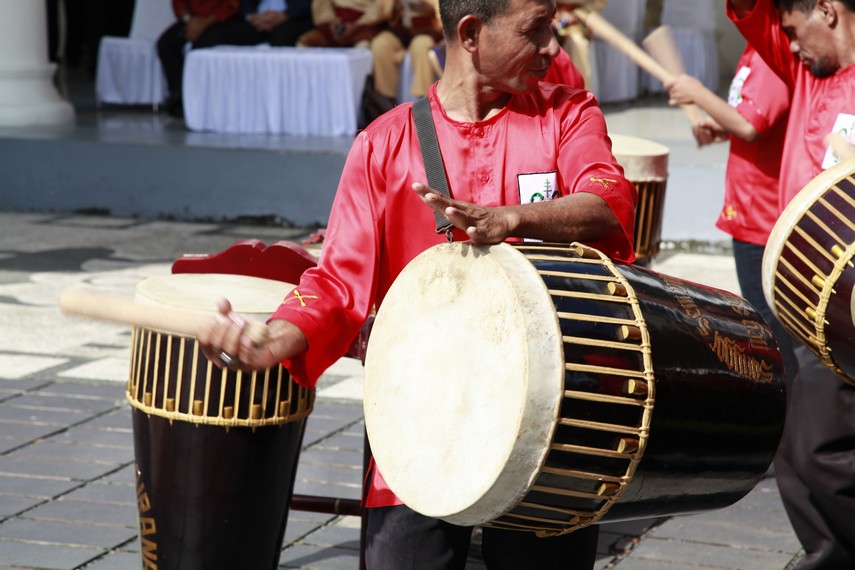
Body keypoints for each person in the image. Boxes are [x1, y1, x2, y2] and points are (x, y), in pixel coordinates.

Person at [199, 0, 637, 566]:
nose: (553, 45)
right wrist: (272, 339)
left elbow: (610, 203)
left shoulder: (567, 113)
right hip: (424, 415)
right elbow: (336, 281)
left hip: (550, 421)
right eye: (536, 30)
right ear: (471, 34)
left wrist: (513, 218)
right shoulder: (382, 145)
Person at [727, 0, 855, 567]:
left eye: (793, 28)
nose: (787, 43)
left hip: (850, 306)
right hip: (803, 295)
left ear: (827, 11)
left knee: (821, 450)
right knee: (795, 451)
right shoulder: (806, 67)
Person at [664, 44, 798, 382]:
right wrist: (721, 126)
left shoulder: (770, 55)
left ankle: (792, 410)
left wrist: (696, 91)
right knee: (765, 320)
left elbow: (751, 125)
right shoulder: (754, 50)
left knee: (771, 325)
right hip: (748, 209)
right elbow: (759, 121)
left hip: (763, 216)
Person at [157, 0, 241, 117]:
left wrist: (204, 23)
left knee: (200, 49)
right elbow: (179, 3)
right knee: (165, 43)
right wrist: (190, 21)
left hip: (220, 20)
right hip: (192, 19)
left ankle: (200, 99)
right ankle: (178, 93)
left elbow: (231, 5)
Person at [365, 0, 444, 111]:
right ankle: (386, 99)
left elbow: (443, 16)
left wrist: (430, 9)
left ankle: (423, 100)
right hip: (401, 30)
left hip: (426, 29)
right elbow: (383, 13)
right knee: (380, 44)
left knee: (420, 46)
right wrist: (394, 6)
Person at [186, 0, 314, 49]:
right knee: (211, 36)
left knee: (281, 39)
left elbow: (313, 4)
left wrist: (286, 15)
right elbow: (243, 5)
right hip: (256, 21)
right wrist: (250, 17)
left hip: (293, 18)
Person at [553, 0, 607, 89]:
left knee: (577, 45)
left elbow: (599, 2)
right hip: (548, 16)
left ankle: (578, 94)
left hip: (575, 24)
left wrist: (577, 14)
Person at [296, 0, 393, 47]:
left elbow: (383, 6)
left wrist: (357, 25)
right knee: (303, 43)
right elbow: (321, 3)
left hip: (364, 25)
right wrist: (331, 21)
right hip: (335, 24)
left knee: (363, 47)